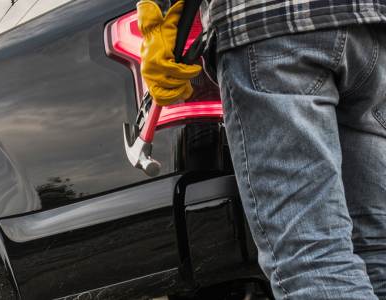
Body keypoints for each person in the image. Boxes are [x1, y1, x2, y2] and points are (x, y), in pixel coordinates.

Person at [137, 0, 386, 299]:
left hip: (272, 26)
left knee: (312, 259)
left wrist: (157, 16)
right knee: (376, 249)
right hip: (368, 25)